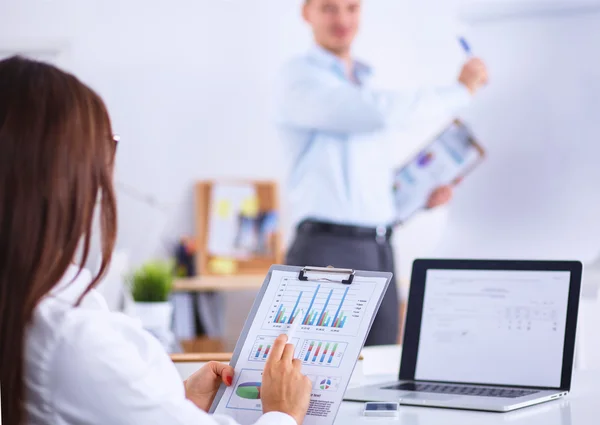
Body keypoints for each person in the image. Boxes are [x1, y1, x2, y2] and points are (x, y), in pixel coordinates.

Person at [0, 56, 311, 425]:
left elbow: (84, 406)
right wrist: (282, 413)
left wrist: (174, 402)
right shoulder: (71, 340)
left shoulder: (31, 306)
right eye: (103, 147)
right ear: (63, 173)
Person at [277, 0, 488, 346]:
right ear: (307, 13)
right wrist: (459, 91)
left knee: (381, 364)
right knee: (315, 366)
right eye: (329, 8)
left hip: (380, 246)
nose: (342, 18)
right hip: (327, 249)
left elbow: (366, 181)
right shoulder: (300, 77)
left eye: (351, 7)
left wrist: (417, 198)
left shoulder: (366, 80)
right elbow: (374, 113)